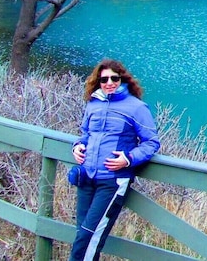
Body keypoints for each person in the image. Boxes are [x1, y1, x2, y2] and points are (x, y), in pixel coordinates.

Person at [70, 58, 161, 261]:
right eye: (104, 79)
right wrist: (77, 146)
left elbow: (151, 142)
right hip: (86, 177)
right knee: (81, 233)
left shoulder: (136, 107)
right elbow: (85, 134)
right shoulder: (93, 103)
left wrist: (129, 159)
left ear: (122, 79)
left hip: (112, 181)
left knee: (90, 236)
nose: (109, 83)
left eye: (114, 78)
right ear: (98, 81)